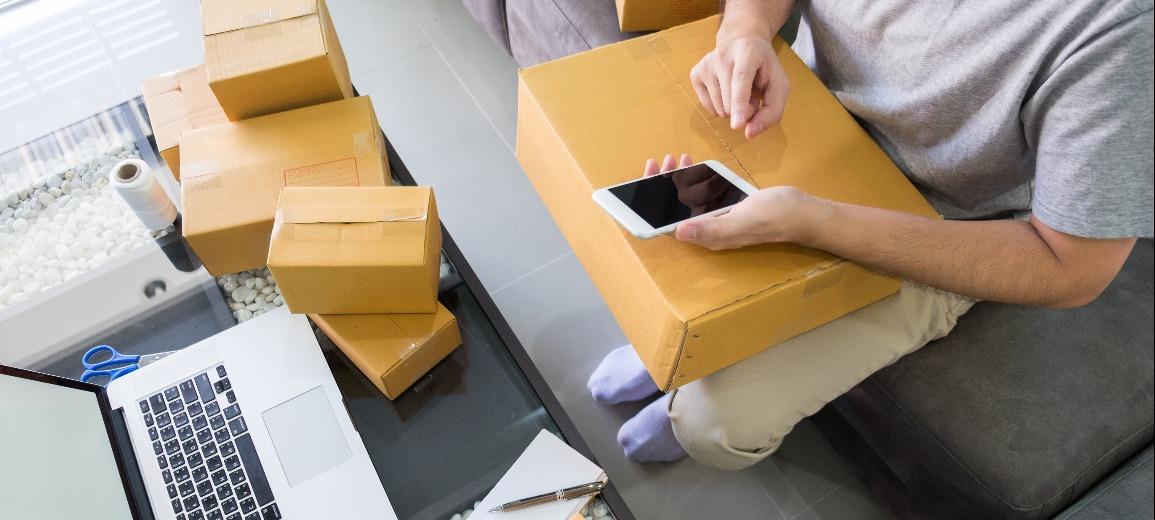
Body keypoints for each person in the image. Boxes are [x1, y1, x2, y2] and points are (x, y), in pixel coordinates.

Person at [587, 0, 1154, 469]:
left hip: (942, 221)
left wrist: (817, 223)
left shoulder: (1125, 36)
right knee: (672, 243)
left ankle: (678, 411)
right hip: (799, 118)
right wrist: (746, 28)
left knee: (714, 425)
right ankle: (671, 358)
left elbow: (1071, 270)